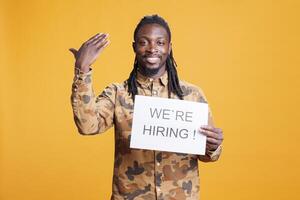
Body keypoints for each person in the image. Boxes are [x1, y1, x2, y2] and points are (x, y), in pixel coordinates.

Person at [70, 14, 223, 200]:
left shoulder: (192, 95)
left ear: (169, 47)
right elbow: (87, 126)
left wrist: (213, 146)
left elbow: (210, 156)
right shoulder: (118, 93)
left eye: (160, 43)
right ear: (134, 47)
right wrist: (82, 69)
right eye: (144, 42)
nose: (152, 49)